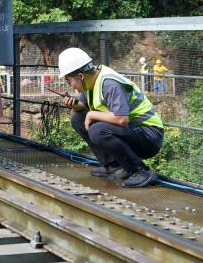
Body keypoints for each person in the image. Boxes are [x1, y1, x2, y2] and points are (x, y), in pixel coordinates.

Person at [58, 47, 164, 187]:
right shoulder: (90, 82)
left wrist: (91, 114)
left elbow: (122, 119)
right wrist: (75, 105)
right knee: (78, 119)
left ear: (80, 76)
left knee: (98, 130)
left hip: (149, 136)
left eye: (69, 81)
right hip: (132, 131)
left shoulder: (109, 84)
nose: (71, 86)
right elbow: (84, 107)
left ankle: (141, 171)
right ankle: (113, 165)